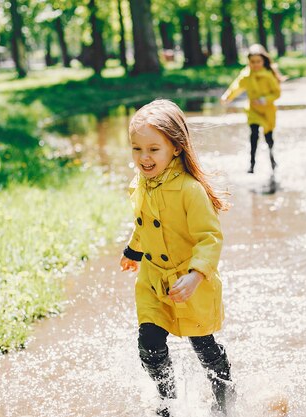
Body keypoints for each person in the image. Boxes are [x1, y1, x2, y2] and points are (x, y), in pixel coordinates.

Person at [119, 99, 234, 417]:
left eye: (153, 149)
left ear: (176, 148)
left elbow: (209, 238)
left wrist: (196, 275)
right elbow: (144, 224)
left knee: (203, 345)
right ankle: (166, 401)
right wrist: (133, 251)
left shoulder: (189, 190)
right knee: (149, 343)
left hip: (189, 282)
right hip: (154, 280)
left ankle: (224, 394)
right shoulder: (140, 184)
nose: (144, 158)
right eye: (136, 149)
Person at [221, 44, 283, 173]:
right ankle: (252, 164)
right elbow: (236, 86)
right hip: (253, 111)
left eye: (258, 61)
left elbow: (276, 93)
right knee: (253, 135)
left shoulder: (269, 75)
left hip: (267, 111)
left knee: (268, 137)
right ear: (249, 62)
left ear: (263, 61)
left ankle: (272, 160)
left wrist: (264, 99)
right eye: (252, 62)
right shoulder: (246, 75)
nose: (255, 64)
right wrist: (228, 96)